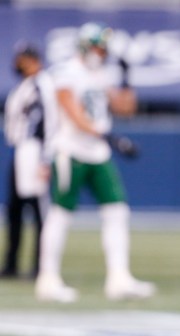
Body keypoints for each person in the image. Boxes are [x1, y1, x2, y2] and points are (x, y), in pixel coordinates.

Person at [36, 22, 154, 302]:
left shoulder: (99, 74)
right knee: (61, 214)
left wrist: (127, 76)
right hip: (69, 150)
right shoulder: (66, 72)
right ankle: (48, 278)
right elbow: (72, 112)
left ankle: (119, 277)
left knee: (117, 211)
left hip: (96, 152)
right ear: (86, 46)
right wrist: (110, 136)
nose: (103, 53)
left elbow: (125, 108)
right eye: (100, 47)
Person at [2, 42, 57, 279]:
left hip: (35, 151)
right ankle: (12, 263)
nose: (18, 62)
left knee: (38, 210)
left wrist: (46, 158)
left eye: (22, 58)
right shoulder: (25, 86)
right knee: (14, 209)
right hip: (21, 150)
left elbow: (51, 122)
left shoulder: (43, 84)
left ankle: (41, 265)